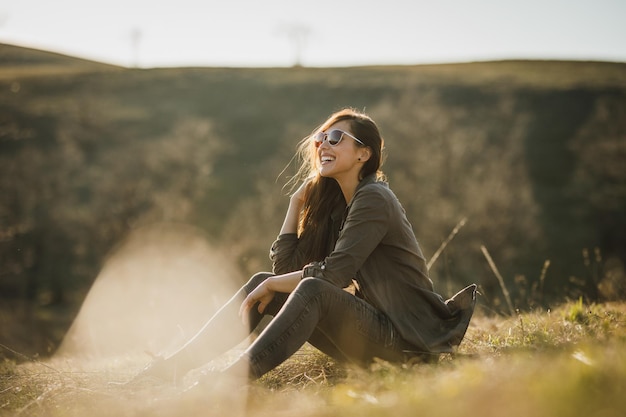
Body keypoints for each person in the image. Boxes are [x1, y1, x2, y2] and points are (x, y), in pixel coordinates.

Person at [133, 107, 477, 386]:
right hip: (372, 336)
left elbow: (331, 275)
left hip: (407, 343)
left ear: (363, 153)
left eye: (336, 138)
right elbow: (285, 274)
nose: (323, 145)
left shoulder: (374, 197)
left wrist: (272, 284)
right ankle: (172, 370)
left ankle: (228, 383)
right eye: (320, 138)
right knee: (261, 281)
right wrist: (296, 204)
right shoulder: (342, 207)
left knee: (307, 287)